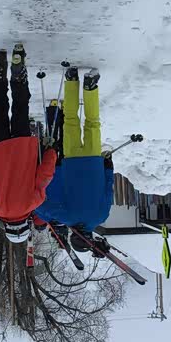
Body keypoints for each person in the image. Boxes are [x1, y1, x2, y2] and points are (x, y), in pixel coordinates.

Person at [0, 45, 56, 243]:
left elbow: (45, 174)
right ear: (7, 228)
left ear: (26, 225)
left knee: (20, 108)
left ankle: (18, 75)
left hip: (23, 148)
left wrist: (51, 152)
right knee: (0, 110)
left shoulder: (34, 202)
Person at [36, 66, 114, 254]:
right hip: (71, 162)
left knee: (93, 122)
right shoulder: (66, 217)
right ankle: (71, 80)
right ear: (73, 236)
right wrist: (49, 220)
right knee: (70, 120)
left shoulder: (101, 216)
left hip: (94, 162)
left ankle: (90, 87)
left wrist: (108, 168)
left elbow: (108, 190)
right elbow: (40, 207)